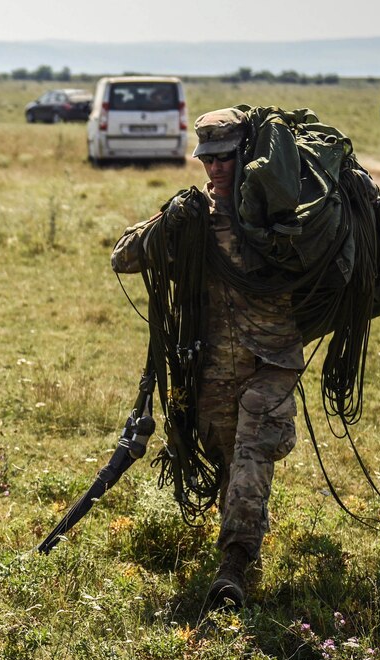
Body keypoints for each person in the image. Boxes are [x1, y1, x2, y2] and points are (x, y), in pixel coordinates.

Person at [110, 109, 304, 610]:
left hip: (272, 363)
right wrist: (168, 221)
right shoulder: (195, 219)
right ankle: (244, 534)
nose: (216, 169)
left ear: (248, 156)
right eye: (208, 159)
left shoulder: (286, 219)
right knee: (227, 463)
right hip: (212, 364)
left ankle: (233, 567)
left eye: (226, 158)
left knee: (250, 454)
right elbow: (123, 258)